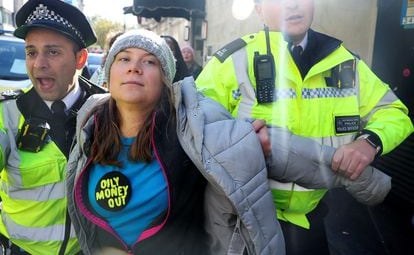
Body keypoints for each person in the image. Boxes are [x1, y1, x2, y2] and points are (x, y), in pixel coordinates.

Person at [66, 29, 392, 255]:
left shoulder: (198, 129)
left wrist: (368, 179)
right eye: (124, 59)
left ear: (166, 80)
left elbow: (296, 155)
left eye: (149, 61)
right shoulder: (88, 131)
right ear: (108, 75)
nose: (135, 67)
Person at [195, 0, 414, 254]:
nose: (292, 3)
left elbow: (395, 112)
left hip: (313, 218)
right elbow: (196, 127)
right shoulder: (232, 62)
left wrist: (370, 142)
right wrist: (247, 143)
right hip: (243, 220)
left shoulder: (345, 62)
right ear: (259, 8)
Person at [0, 0, 105, 255]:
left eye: (53, 52)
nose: (38, 64)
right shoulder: (8, 113)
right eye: (31, 52)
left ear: (80, 59)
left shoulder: (108, 110)